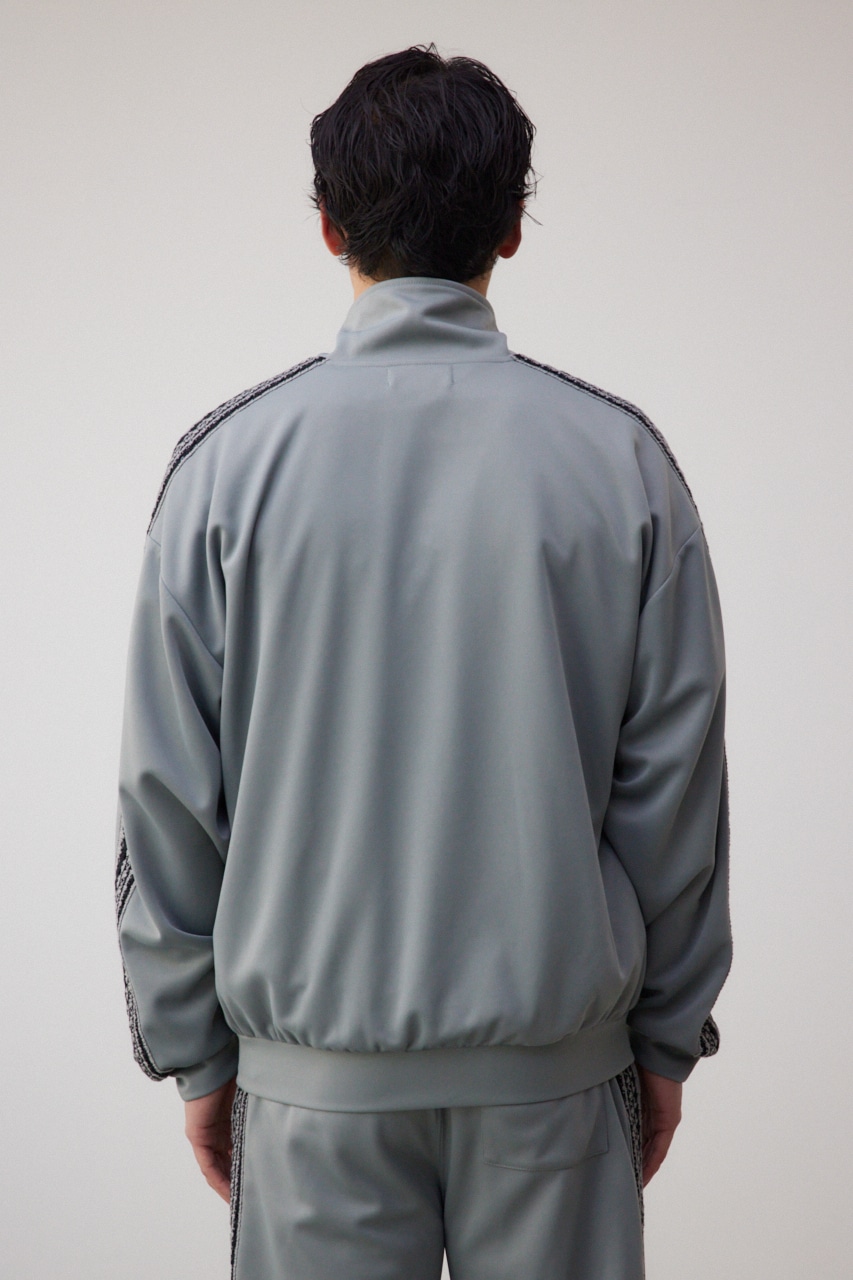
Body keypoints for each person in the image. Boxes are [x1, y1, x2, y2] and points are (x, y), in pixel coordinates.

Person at [114, 43, 732, 1280]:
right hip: (557, 1087)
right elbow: (675, 793)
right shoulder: (623, 467)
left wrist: (195, 1054)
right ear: (511, 228)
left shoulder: (223, 472)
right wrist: (665, 1040)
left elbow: (167, 797)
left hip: (312, 1096)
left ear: (328, 225)